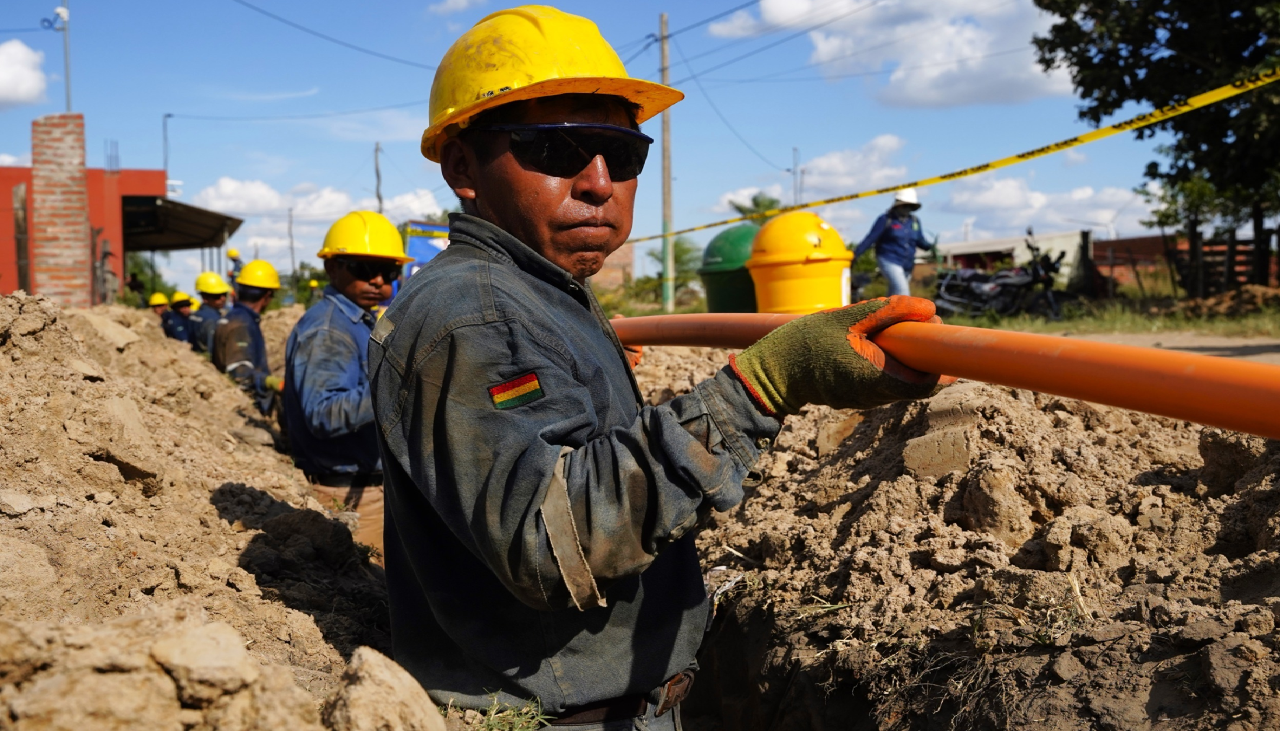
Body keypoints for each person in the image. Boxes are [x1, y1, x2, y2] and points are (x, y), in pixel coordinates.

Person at [367, 6, 952, 727]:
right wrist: (766, 384)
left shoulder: (540, 292)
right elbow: (555, 540)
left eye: (624, 153)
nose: (599, 180)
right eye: (557, 149)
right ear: (463, 166)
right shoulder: (476, 315)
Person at [283, 211, 409, 558]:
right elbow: (323, 413)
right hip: (349, 493)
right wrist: (399, 388)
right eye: (364, 269)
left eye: (390, 272)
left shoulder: (355, 320)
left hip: (366, 487)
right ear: (332, 267)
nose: (379, 281)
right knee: (371, 589)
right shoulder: (329, 330)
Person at [213, 260, 282, 415]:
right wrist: (272, 383)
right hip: (244, 411)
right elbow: (239, 373)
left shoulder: (235, 318)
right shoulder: (242, 325)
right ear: (267, 295)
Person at [853, 188, 935, 297]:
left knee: (893, 297)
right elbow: (871, 238)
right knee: (903, 292)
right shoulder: (885, 219)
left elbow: (919, 240)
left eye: (910, 206)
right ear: (898, 205)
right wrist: (856, 253)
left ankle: (884, 313)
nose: (907, 209)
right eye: (905, 205)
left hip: (907, 264)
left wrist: (930, 247)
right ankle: (908, 314)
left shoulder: (914, 221)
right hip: (889, 259)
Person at [189, 272, 232, 354]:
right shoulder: (213, 320)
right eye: (217, 296)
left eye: (224, 294)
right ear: (205, 297)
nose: (222, 299)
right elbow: (214, 352)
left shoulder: (193, 316)